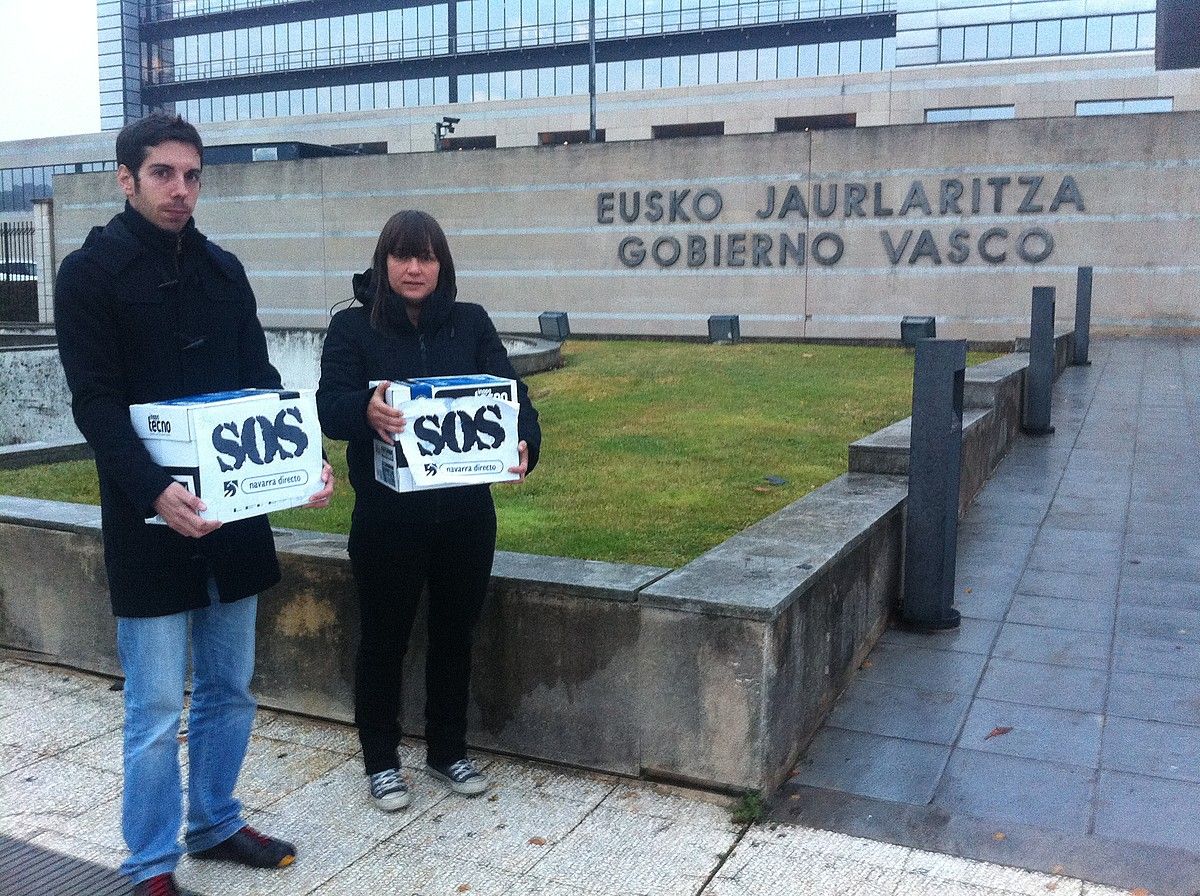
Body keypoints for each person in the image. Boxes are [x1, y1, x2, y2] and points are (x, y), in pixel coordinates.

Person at [54, 112, 334, 896]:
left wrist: (298, 458)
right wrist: (152, 488)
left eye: (192, 174)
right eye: (163, 174)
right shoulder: (91, 273)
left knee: (230, 684)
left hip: (234, 514)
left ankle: (213, 820)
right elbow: (95, 403)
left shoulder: (222, 270)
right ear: (127, 179)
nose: (181, 190)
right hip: (149, 518)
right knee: (151, 709)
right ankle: (148, 862)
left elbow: (261, 382)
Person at [316, 209, 541, 811]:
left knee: (454, 637)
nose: (414, 268)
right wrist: (366, 410)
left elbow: (513, 398)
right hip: (387, 521)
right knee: (383, 641)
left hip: (465, 518)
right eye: (402, 256)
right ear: (383, 262)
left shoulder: (471, 324)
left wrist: (525, 446)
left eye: (427, 257)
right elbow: (330, 407)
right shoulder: (352, 329)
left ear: (443, 265)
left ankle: (447, 750)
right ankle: (381, 761)